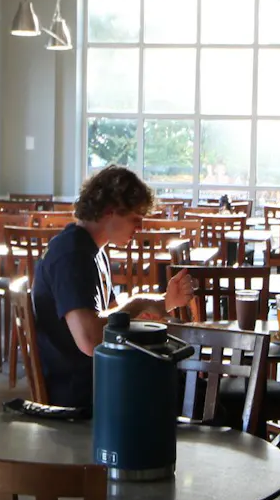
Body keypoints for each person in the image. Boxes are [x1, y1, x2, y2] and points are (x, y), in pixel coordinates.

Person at [31, 165, 194, 411]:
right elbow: (90, 339)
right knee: (198, 394)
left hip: (97, 375)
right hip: (81, 390)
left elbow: (110, 317)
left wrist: (165, 301)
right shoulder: (72, 254)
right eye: (134, 219)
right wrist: (138, 303)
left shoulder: (92, 249)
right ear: (109, 211)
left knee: (189, 378)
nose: (139, 228)